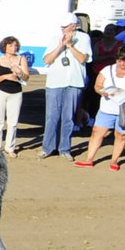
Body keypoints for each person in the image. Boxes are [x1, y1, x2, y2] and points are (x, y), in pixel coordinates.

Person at [76, 45, 125, 170]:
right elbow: (98, 85)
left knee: (121, 135)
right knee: (97, 132)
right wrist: (101, 91)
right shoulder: (107, 70)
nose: (122, 64)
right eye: (119, 60)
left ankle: (114, 160)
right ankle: (89, 159)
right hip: (107, 108)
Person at [38, 13, 91, 159]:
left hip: (74, 82)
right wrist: (60, 46)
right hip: (55, 82)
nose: (63, 29)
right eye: (62, 26)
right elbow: (47, 59)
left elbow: (82, 58)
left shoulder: (84, 38)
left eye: (66, 26)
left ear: (74, 26)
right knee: (51, 116)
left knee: (68, 117)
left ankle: (65, 148)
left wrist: (70, 46)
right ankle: (47, 147)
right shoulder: (55, 39)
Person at [0, 36, 32, 155]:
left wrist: (19, 72)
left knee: (13, 121)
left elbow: (26, 77)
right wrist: (6, 76)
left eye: (15, 45)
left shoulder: (21, 59)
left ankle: (10, 147)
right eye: (11, 45)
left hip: (16, 92)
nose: (14, 48)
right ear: (5, 47)